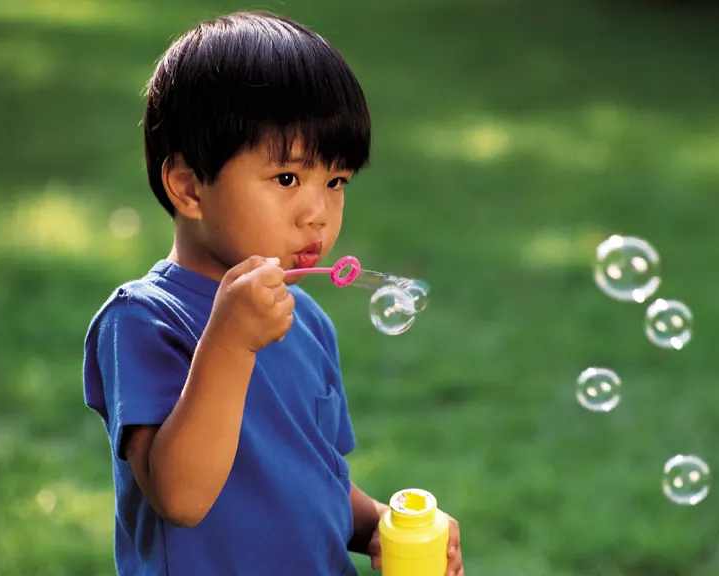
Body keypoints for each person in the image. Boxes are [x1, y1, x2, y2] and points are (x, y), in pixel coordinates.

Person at [81, 11, 464, 576]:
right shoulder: (144, 320)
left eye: (336, 182)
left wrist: (382, 524)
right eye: (287, 178)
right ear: (188, 187)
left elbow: (312, 474)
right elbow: (180, 497)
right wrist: (231, 342)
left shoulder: (305, 319)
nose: (318, 214)